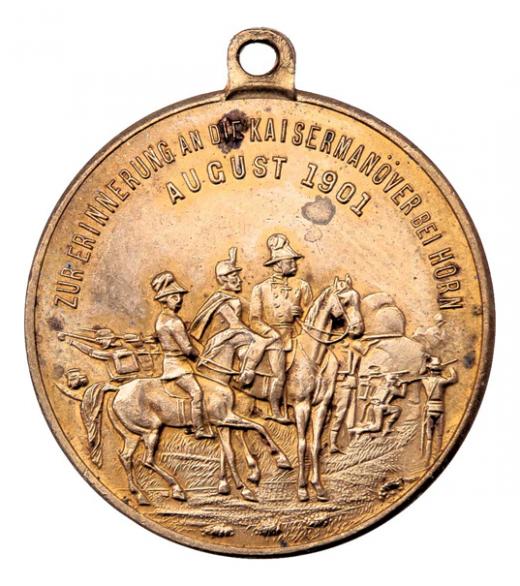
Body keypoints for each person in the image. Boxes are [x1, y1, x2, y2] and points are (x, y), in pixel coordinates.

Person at [248, 233, 313, 423]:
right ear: (277, 264)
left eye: (295, 261)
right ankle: (275, 410)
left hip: (298, 336)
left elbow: (314, 314)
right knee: (279, 374)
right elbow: (254, 320)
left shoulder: (302, 286)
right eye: (290, 261)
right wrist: (272, 334)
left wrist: (300, 313)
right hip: (274, 339)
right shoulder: (260, 289)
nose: (295, 265)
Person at [151, 271, 213, 439]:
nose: (179, 300)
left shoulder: (161, 318)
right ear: (167, 299)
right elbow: (187, 350)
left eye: (179, 296)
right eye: (175, 297)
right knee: (197, 393)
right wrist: (200, 357)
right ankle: (199, 429)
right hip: (178, 367)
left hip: (170, 363)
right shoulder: (174, 321)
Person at [190, 247, 271, 375]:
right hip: (224, 340)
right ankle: (246, 376)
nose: (239, 280)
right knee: (254, 350)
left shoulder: (233, 298)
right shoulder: (221, 300)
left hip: (235, 337)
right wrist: (259, 338)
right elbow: (235, 324)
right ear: (223, 279)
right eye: (234, 276)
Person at [419, 356, 458, 464]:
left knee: (429, 437)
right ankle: (437, 457)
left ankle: (426, 459)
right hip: (439, 409)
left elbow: (421, 373)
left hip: (429, 409)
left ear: (430, 370)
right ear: (439, 370)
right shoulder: (441, 381)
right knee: (439, 435)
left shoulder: (425, 381)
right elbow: (453, 379)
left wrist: (424, 362)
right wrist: (452, 370)